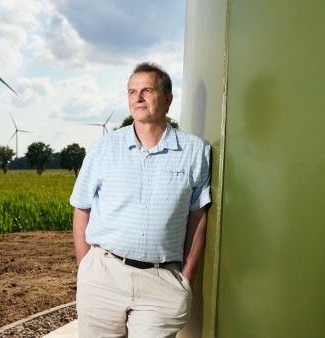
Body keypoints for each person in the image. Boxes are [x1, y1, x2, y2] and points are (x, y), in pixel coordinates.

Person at [69, 62, 212, 338]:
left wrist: (187, 277)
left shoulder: (196, 151)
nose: (138, 97)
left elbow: (198, 217)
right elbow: (81, 207)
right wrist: (85, 266)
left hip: (161, 283)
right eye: (132, 91)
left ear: (168, 99)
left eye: (147, 90)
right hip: (102, 277)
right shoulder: (102, 148)